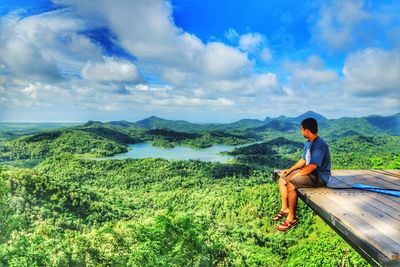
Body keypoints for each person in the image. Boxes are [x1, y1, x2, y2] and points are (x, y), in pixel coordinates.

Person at [274, 117, 331, 231]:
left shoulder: (319, 145)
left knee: (291, 184)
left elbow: (312, 166)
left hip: (319, 177)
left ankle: (291, 218)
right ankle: (285, 208)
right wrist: (290, 170)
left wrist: (297, 175)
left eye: (301, 129)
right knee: (283, 179)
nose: (301, 131)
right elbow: (303, 161)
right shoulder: (309, 143)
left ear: (306, 130)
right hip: (310, 173)